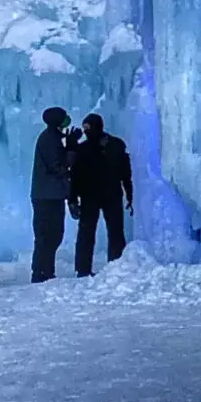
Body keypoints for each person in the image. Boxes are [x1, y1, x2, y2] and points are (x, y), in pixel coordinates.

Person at [71, 112, 133, 277]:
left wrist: (130, 193)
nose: (85, 132)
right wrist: (72, 199)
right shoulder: (85, 148)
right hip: (92, 195)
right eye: (84, 128)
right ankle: (84, 269)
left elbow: (125, 172)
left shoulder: (115, 146)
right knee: (89, 232)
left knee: (113, 232)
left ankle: (114, 265)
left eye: (88, 128)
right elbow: (75, 175)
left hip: (107, 195)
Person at [31, 106, 76, 282]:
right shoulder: (50, 139)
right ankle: (41, 272)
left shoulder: (52, 137)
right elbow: (59, 167)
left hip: (50, 194)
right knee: (48, 235)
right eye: (64, 117)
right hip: (47, 196)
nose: (67, 119)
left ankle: (45, 271)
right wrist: (71, 150)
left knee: (52, 234)